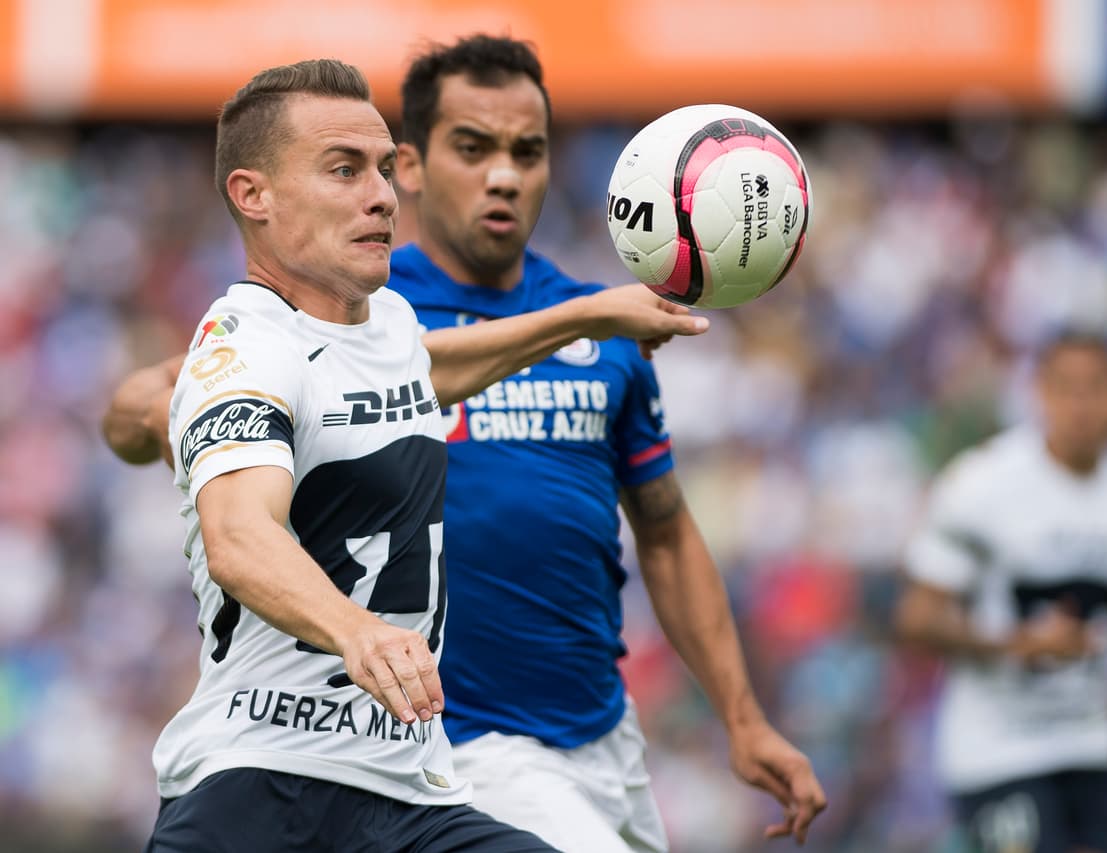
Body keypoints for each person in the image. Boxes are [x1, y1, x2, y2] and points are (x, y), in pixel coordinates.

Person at [105, 35, 826, 852]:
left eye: (528, 151)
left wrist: (587, 317)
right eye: (348, 170)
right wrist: (352, 624)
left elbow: (427, 366)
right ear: (255, 194)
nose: (378, 194)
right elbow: (236, 526)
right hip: (302, 769)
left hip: (433, 777)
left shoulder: (385, 323)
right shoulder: (258, 337)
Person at [894, 332, 1107, 853]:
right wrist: (1021, 644)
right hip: (998, 749)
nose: (1080, 405)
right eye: (1066, 388)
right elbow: (916, 619)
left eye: (1095, 388)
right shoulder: (982, 487)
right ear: (1039, 393)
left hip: (1092, 743)